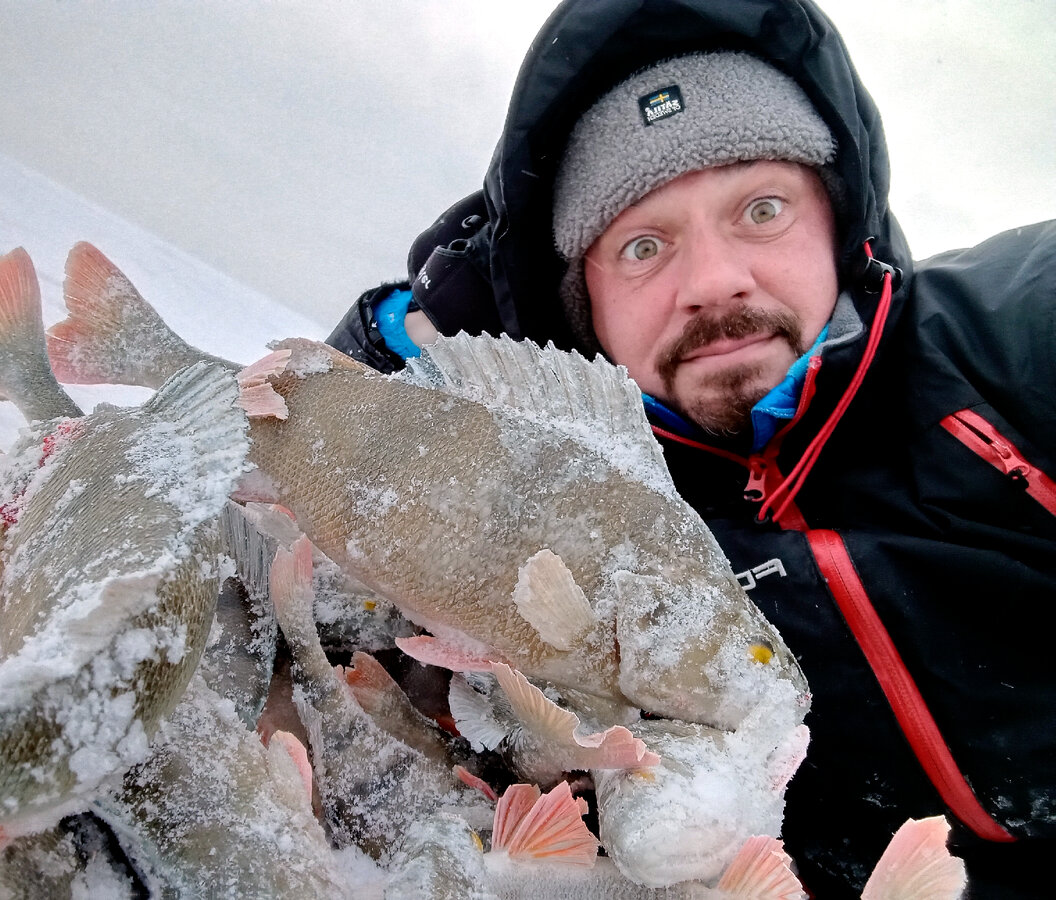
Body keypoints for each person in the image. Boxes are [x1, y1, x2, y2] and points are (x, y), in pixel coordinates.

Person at [327, 0, 1056, 896]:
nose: (713, 282)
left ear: (838, 218)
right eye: (642, 245)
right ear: (579, 300)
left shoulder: (1010, 339)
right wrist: (396, 367)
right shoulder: (546, 505)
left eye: (761, 207)